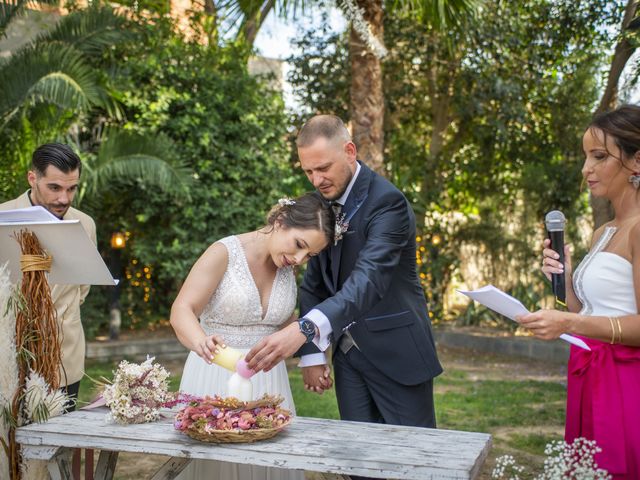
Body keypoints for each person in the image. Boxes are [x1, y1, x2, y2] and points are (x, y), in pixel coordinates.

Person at [246, 115, 442, 439]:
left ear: (350, 151)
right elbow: (314, 284)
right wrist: (311, 352)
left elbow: (369, 281)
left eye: (323, 168)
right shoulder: (319, 205)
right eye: (308, 171)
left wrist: (305, 328)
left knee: (417, 457)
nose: (316, 180)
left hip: (398, 352)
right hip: (348, 357)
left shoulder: (387, 203)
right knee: (357, 458)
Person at [170, 192, 334, 480]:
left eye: (309, 255)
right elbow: (182, 309)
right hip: (213, 376)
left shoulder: (285, 266)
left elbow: (286, 324)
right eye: (299, 245)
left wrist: (312, 357)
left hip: (269, 384)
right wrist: (201, 342)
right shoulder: (223, 252)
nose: (298, 259)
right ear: (280, 221)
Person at [517, 104, 640, 478]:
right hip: (590, 375)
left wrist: (568, 320)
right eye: (586, 156)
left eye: (599, 156)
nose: (586, 169)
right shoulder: (602, 232)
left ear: (636, 161)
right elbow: (589, 311)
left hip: (626, 383)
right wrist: (566, 279)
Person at [0, 142, 96, 409]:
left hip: (65, 358)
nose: (63, 199)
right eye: (54, 187)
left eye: (71, 188)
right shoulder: (2, 217)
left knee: (59, 445)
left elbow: (81, 288)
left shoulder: (85, 224)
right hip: (8, 358)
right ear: (33, 178)